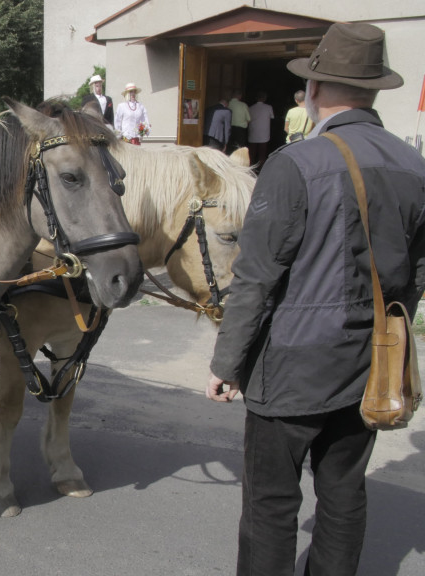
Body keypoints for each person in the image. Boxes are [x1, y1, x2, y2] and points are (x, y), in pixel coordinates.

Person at [205, 22, 425, 576]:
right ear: (373, 91)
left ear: (315, 92)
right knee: (345, 494)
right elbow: (414, 278)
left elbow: (256, 276)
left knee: (271, 504)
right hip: (371, 362)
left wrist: (226, 363)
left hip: (291, 366)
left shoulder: (295, 163)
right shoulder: (415, 168)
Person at [247, 91, 274, 171]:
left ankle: (251, 168)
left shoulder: (251, 108)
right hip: (264, 132)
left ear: (256, 98)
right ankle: (261, 169)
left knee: (252, 152)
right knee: (262, 153)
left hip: (253, 131)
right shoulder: (269, 107)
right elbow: (272, 117)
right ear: (265, 98)